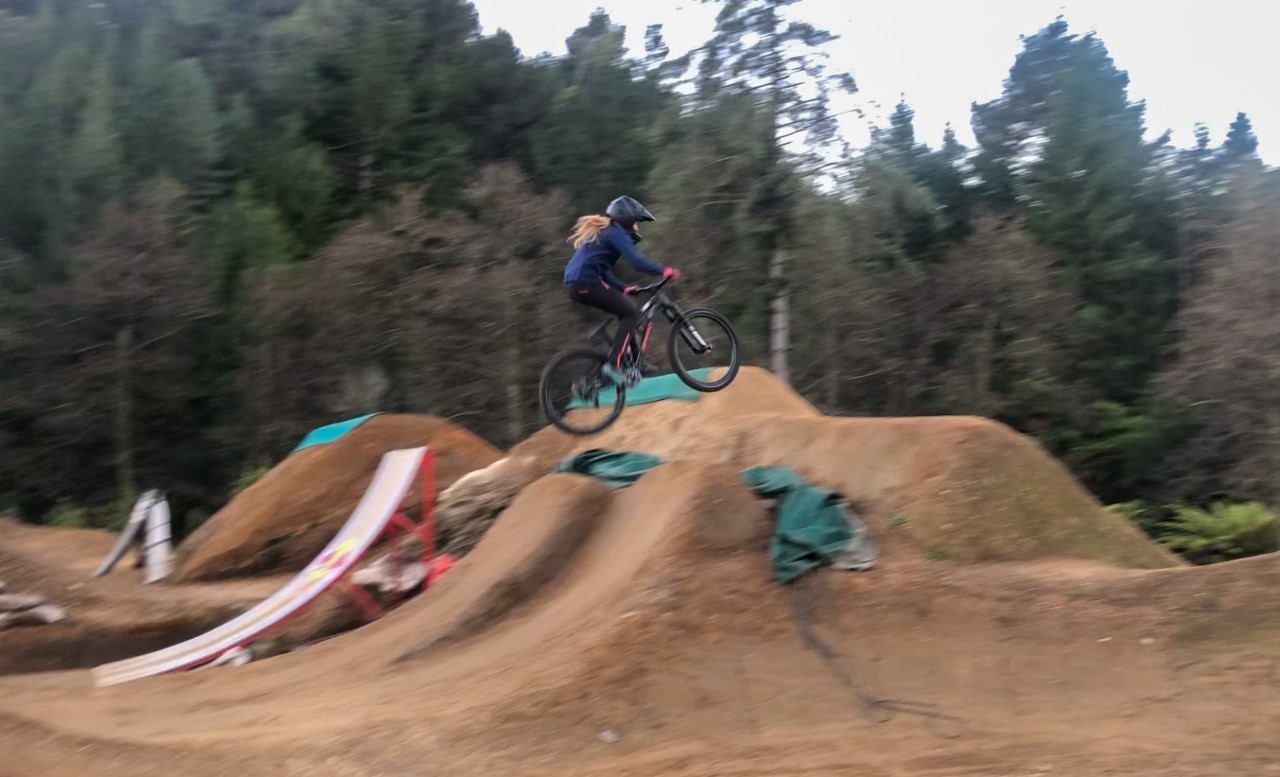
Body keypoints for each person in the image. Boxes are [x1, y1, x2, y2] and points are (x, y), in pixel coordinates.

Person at [563, 195, 680, 386]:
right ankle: (614, 365)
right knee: (630, 313)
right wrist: (663, 270)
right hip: (586, 283)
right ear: (626, 218)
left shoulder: (605, 232)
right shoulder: (615, 232)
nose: (637, 227)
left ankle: (635, 362)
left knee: (626, 309)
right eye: (636, 222)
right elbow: (637, 262)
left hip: (576, 284)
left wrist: (624, 288)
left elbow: (604, 272)